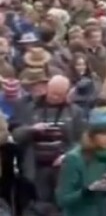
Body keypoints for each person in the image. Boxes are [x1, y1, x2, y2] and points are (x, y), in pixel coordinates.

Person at [13, 75, 86, 205]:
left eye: (59, 95)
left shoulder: (75, 112)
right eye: (53, 93)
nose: (55, 97)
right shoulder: (30, 108)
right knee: (41, 201)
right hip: (36, 164)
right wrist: (32, 129)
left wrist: (68, 155)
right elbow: (16, 135)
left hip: (63, 164)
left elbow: (83, 140)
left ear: (67, 94)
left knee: (62, 200)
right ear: (47, 89)